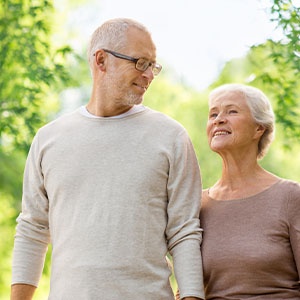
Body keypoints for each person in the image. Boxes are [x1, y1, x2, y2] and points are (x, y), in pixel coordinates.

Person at [11, 18, 205, 300]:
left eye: (153, 66)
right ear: (101, 60)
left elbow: (184, 231)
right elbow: (33, 229)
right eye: (140, 63)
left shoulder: (171, 136)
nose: (149, 75)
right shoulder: (48, 139)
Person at [200, 83, 300, 299]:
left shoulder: (291, 197)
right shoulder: (197, 204)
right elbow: (188, 287)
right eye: (213, 114)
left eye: (232, 111)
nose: (218, 119)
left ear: (259, 128)